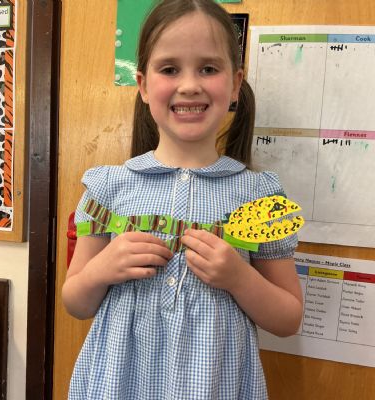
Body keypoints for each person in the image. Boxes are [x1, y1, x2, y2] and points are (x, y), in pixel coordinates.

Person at [62, 0, 303, 398]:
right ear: (143, 85)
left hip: (215, 386)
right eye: (170, 69)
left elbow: (288, 318)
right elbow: (75, 302)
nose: (189, 84)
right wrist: (100, 270)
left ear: (235, 84)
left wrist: (240, 279)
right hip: (119, 386)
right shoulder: (107, 188)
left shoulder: (260, 197)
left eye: (208, 68)